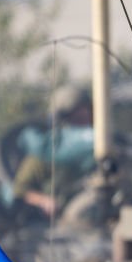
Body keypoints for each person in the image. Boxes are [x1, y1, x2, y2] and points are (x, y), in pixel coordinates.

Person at [11, 86, 96, 219]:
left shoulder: (98, 148)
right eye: (77, 117)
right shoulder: (44, 153)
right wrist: (43, 200)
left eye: (87, 114)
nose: (84, 122)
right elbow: (20, 190)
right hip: (52, 223)